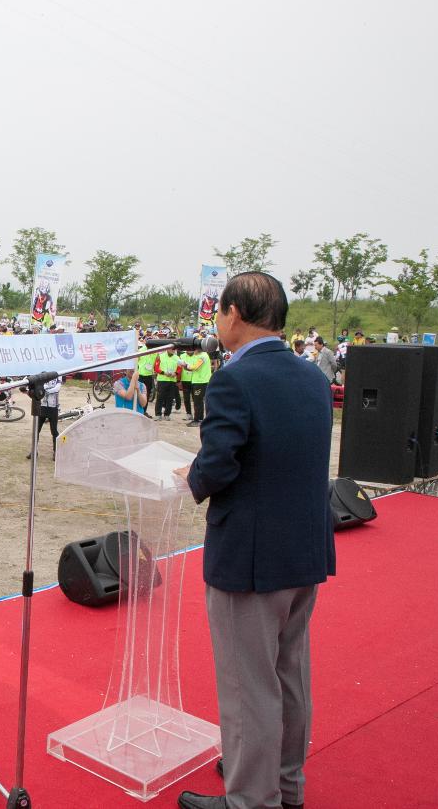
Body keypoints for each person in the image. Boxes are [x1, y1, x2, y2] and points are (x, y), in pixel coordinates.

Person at [174, 272, 333, 809]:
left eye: (219, 313)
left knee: (248, 687)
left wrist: (192, 478)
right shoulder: (311, 377)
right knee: (289, 676)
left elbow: (220, 464)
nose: (216, 324)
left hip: (250, 557)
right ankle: (286, 788)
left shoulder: (235, 380)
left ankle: (249, 799)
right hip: (303, 550)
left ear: (235, 312)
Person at [183, 345, 212, 427]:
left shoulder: (202, 356)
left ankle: (197, 420)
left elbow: (195, 367)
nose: (193, 351)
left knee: (197, 401)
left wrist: (186, 366)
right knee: (198, 401)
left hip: (200, 381)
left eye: (194, 349)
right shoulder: (202, 355)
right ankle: (200, 419)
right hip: (199, 381)